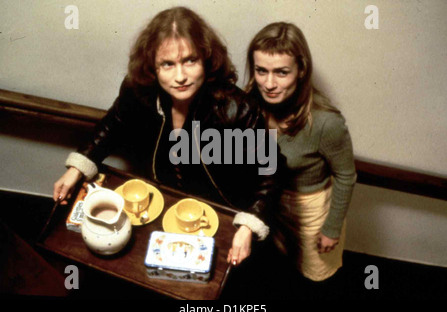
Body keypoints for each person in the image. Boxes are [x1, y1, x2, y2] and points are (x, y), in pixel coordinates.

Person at [53, 7, 281, 265]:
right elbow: (113, 124)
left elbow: (270, 171)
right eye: (168, 64)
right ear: (153, 67)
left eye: (190, 61)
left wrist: (249, 224)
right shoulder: (137, 90)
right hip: (158, 205)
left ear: (206, 59)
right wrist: (78, 166)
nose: (180, 76)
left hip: (221, 215)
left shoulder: (238, 109)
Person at [244, 22, 357, 289]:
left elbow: (345, 175)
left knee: (315, 273)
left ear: (301, 70)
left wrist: (331, 228)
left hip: (310, 208)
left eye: (282, 72)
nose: (269, 83)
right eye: (261, 71)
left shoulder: (326, 122)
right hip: (272, 202)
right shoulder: (249, 104)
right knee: (281, 266)